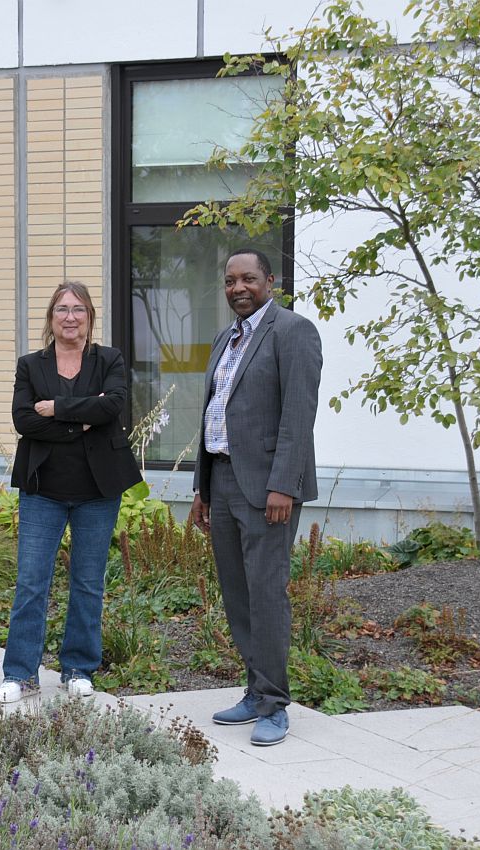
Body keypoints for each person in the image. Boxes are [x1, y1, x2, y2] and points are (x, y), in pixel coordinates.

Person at [189, 248, 322, 746]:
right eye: (229, 281)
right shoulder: (227, 338)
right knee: (237, 592)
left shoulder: (293, 332)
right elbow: (213, 416)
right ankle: (254, 689)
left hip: (268, 488)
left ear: (270, 279)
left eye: (248, 279)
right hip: (222, 482)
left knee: (266, 593)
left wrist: (283, 485)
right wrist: (202, 489)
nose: (238, 288)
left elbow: (298, 415)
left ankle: (274, 704)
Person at [0, 282, 142, 703]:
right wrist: (83, 417)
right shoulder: (30, 365)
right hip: (44, 488)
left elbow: (112, 406)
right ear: (51, 317)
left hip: (98, 489)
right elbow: (24, 420)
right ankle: (20, 673)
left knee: (88, 582)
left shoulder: (109, 359)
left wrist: (57, 408)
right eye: (62, 309)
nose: (70, 317)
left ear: (90, 317)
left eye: (78, 309)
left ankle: (78, 668)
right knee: (30, 582)